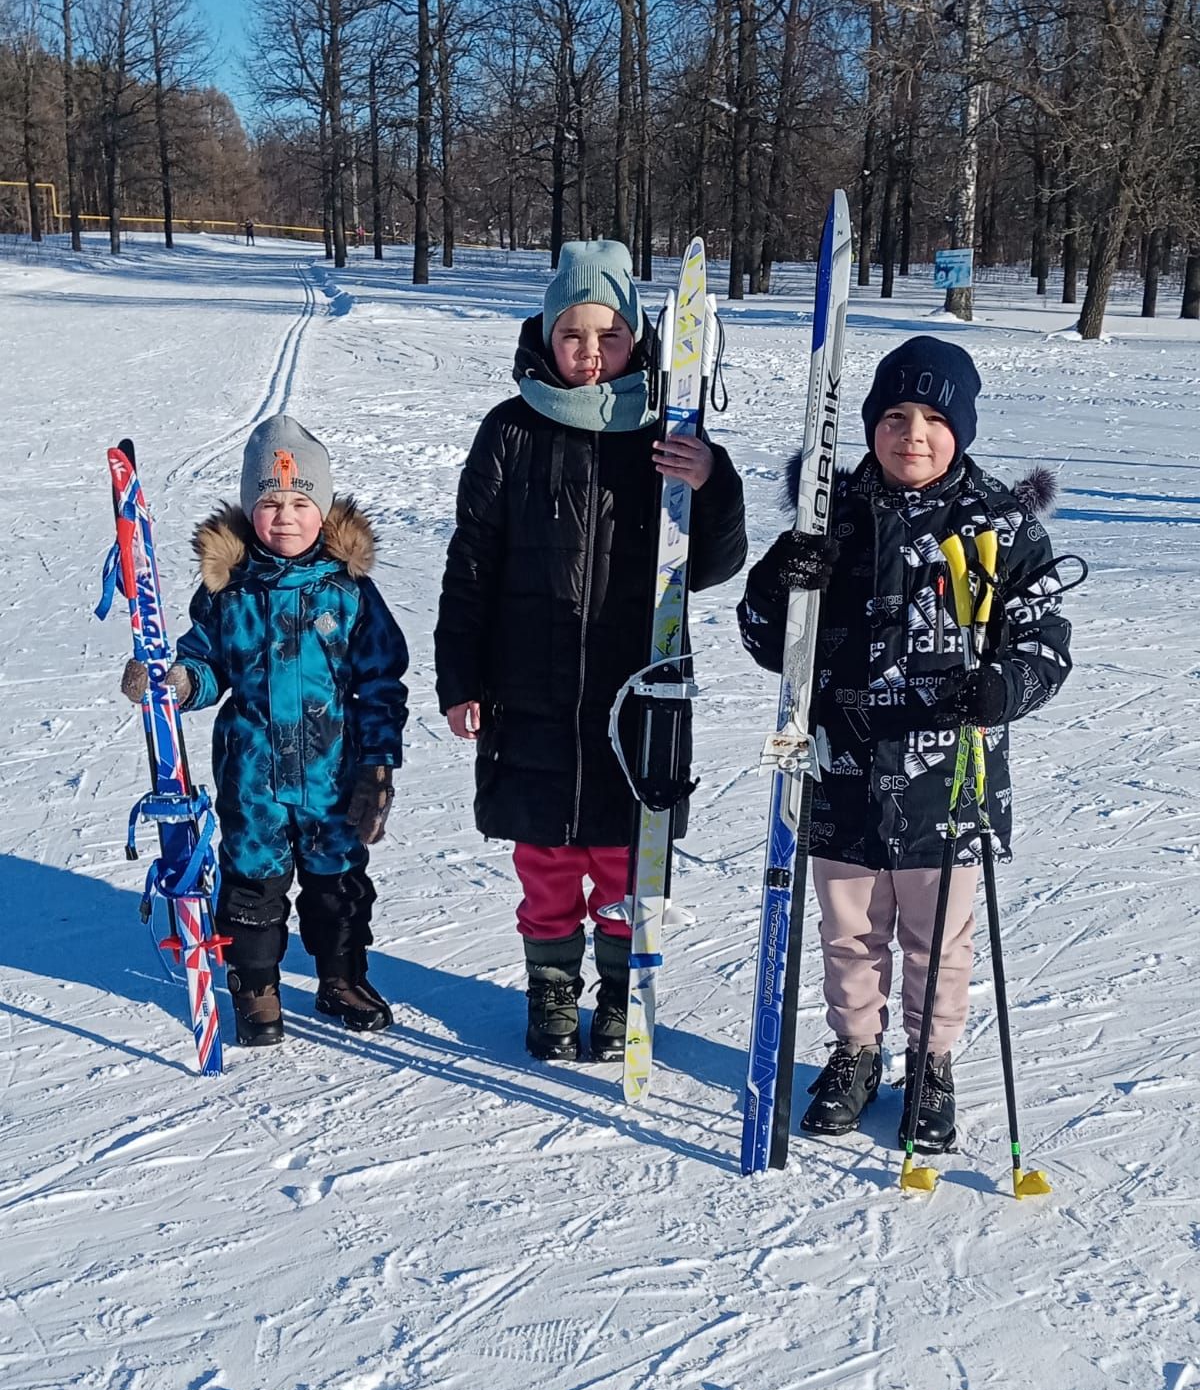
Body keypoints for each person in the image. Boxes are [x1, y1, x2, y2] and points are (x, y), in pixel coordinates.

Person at [738, 336, 1074, 1153]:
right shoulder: (830, 516)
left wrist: (1004, 686)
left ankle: (930, 1064)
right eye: (893, 416)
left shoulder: (1001, 526)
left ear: (962, 428)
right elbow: (761, 636)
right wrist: (783, 578)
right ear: (867, 426)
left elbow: (1045, 640)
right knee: (849, 931)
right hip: (839, 767)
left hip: (947, 780)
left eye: (932, 418)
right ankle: (856, 1052)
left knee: (937, 940)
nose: (911, 434)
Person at [435, 240, 746, 1063]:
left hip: (632, 690)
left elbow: (711, 567)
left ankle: (619, 993)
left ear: (637, 338)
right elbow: (470, 563)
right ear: (546, 333)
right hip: (528, 686)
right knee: (544, 856)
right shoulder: (508, 430)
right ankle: (550, 991)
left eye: (607, 336)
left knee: (621, 855)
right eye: (573, 334)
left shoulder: (666, 431)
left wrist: (712, 482)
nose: (589, 353)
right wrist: (459, 678)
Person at [120, 416, 409, 1046]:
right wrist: (174, 683)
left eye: (301, 502)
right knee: (253, 882)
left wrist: (379, 767)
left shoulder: (350, 593)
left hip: (334, 776)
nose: (284, 517)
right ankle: (255, 987)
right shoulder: (229, 593)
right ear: (250, 509)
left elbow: (383, 684)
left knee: (337, 883)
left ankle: (341, 977)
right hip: (253, 779)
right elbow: (206, 663)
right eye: (269, 503)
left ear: (324, 509)